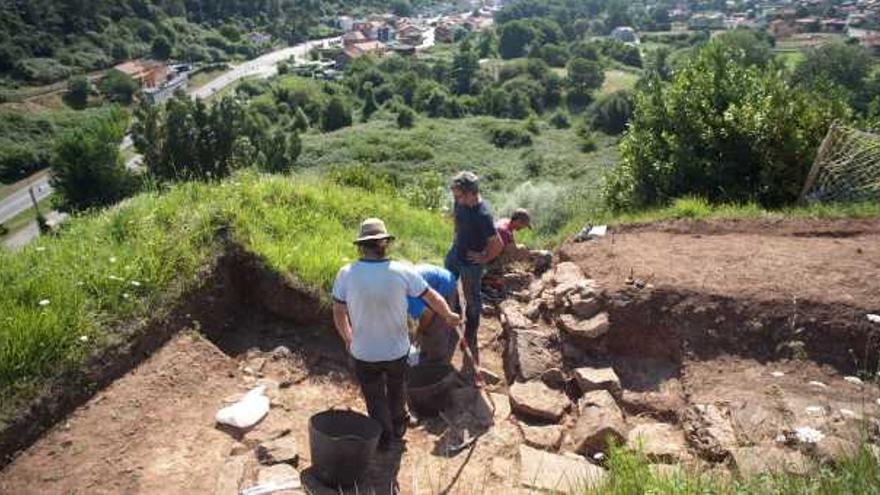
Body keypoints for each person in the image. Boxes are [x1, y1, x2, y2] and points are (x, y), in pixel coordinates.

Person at [332, 218, 461, 450]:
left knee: (374, 396)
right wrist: (448, 314)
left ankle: (382, 437)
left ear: (361, 246)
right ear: (385, 245)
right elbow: (432, 297)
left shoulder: (346, 274)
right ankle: (399, 425)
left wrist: (348, 338)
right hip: (396, 351)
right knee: (396, 387)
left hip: (364, 352)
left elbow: (338, 311)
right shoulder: (403, 271)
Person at [444, 171, 502, 372]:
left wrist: (483, 258)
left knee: (472, 300)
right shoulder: (460, 203)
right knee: (448, 286)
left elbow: (498, 244)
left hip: (471, 263)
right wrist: (456, 240)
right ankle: (454, 317)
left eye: (459, 195)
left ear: (471, 193)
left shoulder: (482, 215)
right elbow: (457, 222)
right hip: (455, 254)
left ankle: (470, 334)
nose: (455, 198)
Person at [407, 264, 458, 365]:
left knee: (437, 326)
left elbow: (427, 314)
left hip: (445, 285)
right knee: (426, 326)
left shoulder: (408, 295)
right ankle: (425, 348)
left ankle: (436, 361)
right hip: (431, 281)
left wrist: (420, 331)